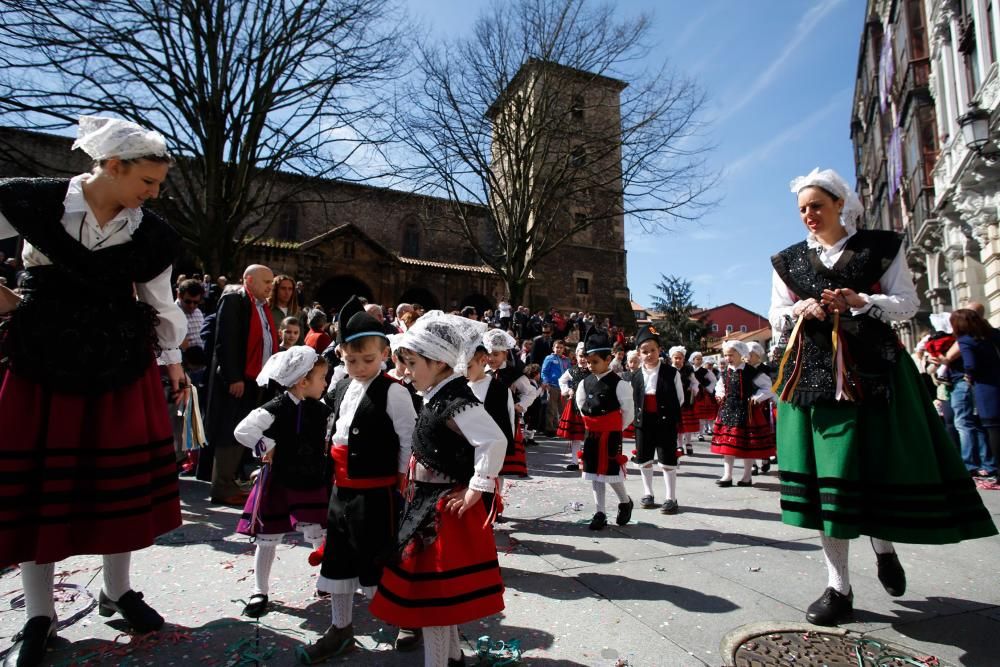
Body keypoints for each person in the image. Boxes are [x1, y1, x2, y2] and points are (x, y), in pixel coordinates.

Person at [770, 168, 997, 626]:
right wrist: (801, 307)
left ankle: (884, 546)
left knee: (874, 468)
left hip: (876, 372)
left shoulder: (880, 247)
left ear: (839, 205)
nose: (809, 216)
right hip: (814, 379)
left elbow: (909, 303)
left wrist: (863, 301)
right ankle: (839, 587)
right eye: (802, 210)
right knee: (830, 482)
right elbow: (775, 312)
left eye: (816, 206)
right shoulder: (788, 260)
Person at [0, 116, 186, 664]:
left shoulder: (151, 233)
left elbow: (159, 298)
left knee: (116, 483)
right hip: (43, 358)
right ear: (111, 166)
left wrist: (172, 359)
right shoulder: (34, 201)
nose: (153, 194)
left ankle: (117, 589)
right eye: (146, 182)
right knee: (42, 486)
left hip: (118, 360)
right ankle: (38, 614)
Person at [368, 311, 506, 667]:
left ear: (440, 361)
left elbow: (493, 439)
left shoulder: (456, 401)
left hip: (444, 513)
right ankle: (453, 657)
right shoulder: (436, 395)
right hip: (427, 507)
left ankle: (439, 663)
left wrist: (477, 486)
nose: (407, 371)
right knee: (438, 600)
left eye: (413, 363)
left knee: (435, 604)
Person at [299, 297, 418, 662]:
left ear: (385, 353)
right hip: (341, 492)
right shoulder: (342, 387)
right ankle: (340, 628)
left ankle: (405, 617)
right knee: (339, 560)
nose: (360, 367)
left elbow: (408, 440)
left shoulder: (394, 391)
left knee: (380, 561)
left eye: (368, 360)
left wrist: (403, 485)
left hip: (377, 495)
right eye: (351, 360)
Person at [234, 346, 331, 619]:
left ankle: (325, 580)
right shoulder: (276, 407)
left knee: (319, 530)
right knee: (268, 537)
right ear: (303, 381)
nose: (325, 383)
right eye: (322, 378)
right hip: (280, 480)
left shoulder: (320, 409)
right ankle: (260, 590)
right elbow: (242, 430)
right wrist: (267, 444)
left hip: (310, 477)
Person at [204, 264, 277, 505]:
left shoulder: (259, 305)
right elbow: (226, 340)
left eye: (271, 282)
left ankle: (230, 481)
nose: (270, 287)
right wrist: (234, 377)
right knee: (230, 431)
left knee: (242, 429)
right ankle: (223, 486)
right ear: (249, 279)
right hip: (238, 380)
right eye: (266, 281)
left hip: (254, 379)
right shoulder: (235, 300)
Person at [576, 331, 635, 530]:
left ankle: (625, 501)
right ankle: (599, 512)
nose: (591, 366)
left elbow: (628, 412)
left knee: (611, 472)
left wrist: (614, 428)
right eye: (588, 362)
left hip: (611, 435)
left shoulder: (620, 384)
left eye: (595, 362)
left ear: (608, 359)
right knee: (593, 473)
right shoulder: (585, 383)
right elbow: (581, 405)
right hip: (591, 435)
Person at [630, 327, 683, 514]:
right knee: (644, 459)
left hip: (666, 422)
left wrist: (670, 415)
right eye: (644, 352)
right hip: (643, 422)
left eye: (653, 350)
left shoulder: (671, 373)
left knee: (667, 460)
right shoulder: (635, 375)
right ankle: (648, 493)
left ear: (659, 350)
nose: (649, 354)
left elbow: (680, 398)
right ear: (639, 354)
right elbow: (632, 398)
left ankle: (671, 497)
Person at [710, 341, 775, 487]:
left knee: (748, 446)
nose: (728, 358)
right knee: (727, 444)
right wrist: (720, 394)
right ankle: (727, 475)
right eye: (725, 355)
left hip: (747, 413)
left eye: (731, 355)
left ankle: (747, 476)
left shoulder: (751, 371)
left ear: (741, 354)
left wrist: (756, 398)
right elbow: (720, 386)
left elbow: (768, 387)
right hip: (728, 410)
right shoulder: (725, 372)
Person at [950, 308, 1000, 483]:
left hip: (986, 388)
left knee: (993, 429)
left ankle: (997, 471)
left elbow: (970, 364)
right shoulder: (994, 335)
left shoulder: (966, 340)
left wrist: (968, 375)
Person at [484, 329, 537, 478]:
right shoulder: (482, 372)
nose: (491, 358)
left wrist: (520, 405)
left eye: (496, 354)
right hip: (484, 420)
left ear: (505, 354)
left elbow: (530, 391)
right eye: (488, 354)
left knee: (500, 467)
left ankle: (497, 496)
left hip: (505, 422)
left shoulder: (512, 373)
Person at [557, 343, 590, 470]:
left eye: (585, 356)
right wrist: (567, 390)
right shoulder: (572, 370)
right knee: (575, 436)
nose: (583, 359)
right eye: (581, 356)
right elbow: (561, 380)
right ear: (576, 356)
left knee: (589, 435)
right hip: (575, 405)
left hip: (590, 406)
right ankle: (574, 461)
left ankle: (588, 460)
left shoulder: (592, 370)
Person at [668, 346, 701, 455]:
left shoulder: (688, 370)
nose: (677, 360)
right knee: (677, 425)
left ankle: (689, 443)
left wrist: (693, 389)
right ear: (671, 358)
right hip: (673, 400)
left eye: (680, 358)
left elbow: (695, 382)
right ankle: (679, 445)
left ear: (683, 359)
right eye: (675, 358)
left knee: (687, 424)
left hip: (686, 401)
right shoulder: (668, 370)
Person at [541, 339, 571, 435]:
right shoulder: (549, 358)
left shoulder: (566, 360)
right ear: (553, 348)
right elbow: (544, 372)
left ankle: (561, 428)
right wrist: (546, 383)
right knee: (551, 409)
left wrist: (570, 386)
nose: (559, 349)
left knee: (563, 409)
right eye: (557, 347)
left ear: (564, 349)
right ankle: (550, 429)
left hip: (564, 388)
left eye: (561, 348)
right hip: (553, 386)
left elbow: (570, 373)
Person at [689, 351, 717, 449]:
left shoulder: (706, 371)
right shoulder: (689, 369)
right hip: (689, 393)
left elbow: (713, 380)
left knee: (701, 414)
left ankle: (700, 433)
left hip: (701, 394)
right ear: (693, 360)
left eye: (701, 359)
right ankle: (688, 433)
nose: (700, 360)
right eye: (697, 359)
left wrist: (708, 388)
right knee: (689, 414)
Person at [269, 274, 305, 346]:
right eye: (283, 288)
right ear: (275, 290)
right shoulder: (267, 310)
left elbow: (300, 339)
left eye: (290, 289)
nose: (287, 292)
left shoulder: (297, 312)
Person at [176, 278, 206, 349]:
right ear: (179, 296)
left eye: (196, 302)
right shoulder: (172, 314)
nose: (191, 305)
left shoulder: (198, 312)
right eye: (188, 301)